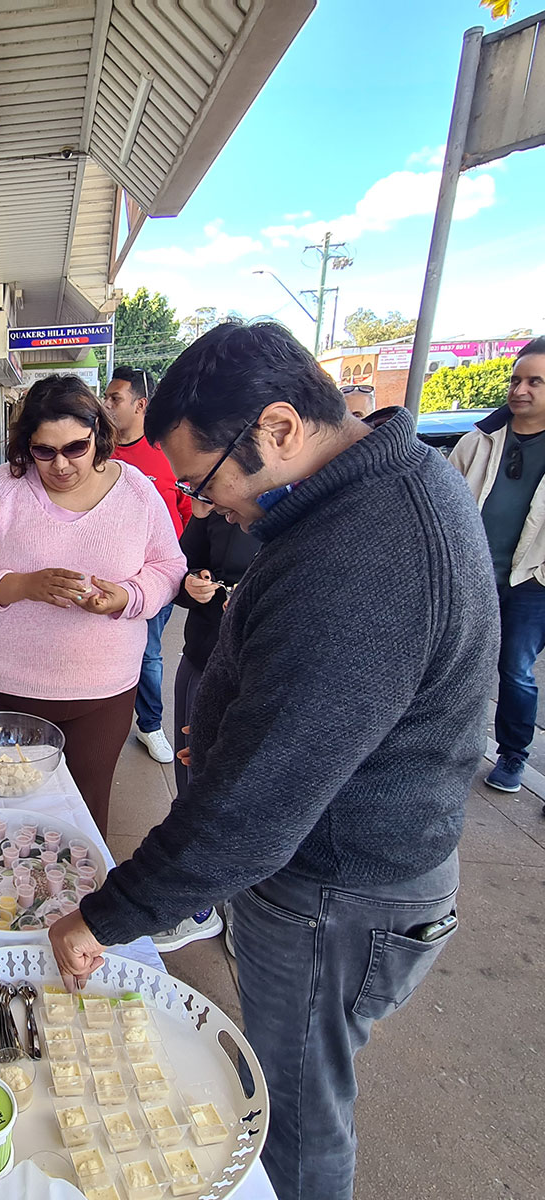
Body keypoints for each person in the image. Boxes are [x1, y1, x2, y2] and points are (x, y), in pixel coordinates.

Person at [48, 323, 498, 1200]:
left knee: (292, 1119)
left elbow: (260, 801)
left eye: (204, 482)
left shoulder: (364, 552)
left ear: (283, 428)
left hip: (336, 890)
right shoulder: (370, 495)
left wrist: (107, 916)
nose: (207, 507)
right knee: (284, 1083)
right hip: (331, 873)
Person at [0, 374, 187, 834]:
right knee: (5, 808)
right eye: (44, 451)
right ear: (25, 445)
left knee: (85, 812)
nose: (61, 465)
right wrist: (21, 585)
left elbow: (169, 567)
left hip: (102, 690)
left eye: (76, 447)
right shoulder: (1, 488)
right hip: (4, 686)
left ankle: (77, 903)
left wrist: (128, 595)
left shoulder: (136, 491)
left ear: (99, 434)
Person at [150, 499, 261, 953]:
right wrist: (192, 584)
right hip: (202, 657)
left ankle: (243, 908)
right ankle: (199, 901)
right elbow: (181, 572)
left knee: (243, 791)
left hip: (261, 674)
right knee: (192, 783)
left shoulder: (317, 505)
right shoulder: (221, 505)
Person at [450, 336, 545, 796]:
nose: (520, 389)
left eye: (535, 381)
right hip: (471, 576)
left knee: (516, 670)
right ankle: (448, 742)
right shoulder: (479, 439)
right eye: (515, 379)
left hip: (530, 583)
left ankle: (512, 755)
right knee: (456, 663)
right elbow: (443, 499)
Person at [103, 365, 191, 764]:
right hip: (105, 580)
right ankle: (103, 724)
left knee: (150, 654)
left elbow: (186, 513)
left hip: (152, 581)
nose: (107, 405)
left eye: (115, 399)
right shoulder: (95, 453)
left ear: (140, 404)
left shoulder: (165, 455)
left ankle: (150, 725)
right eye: (106, 397)